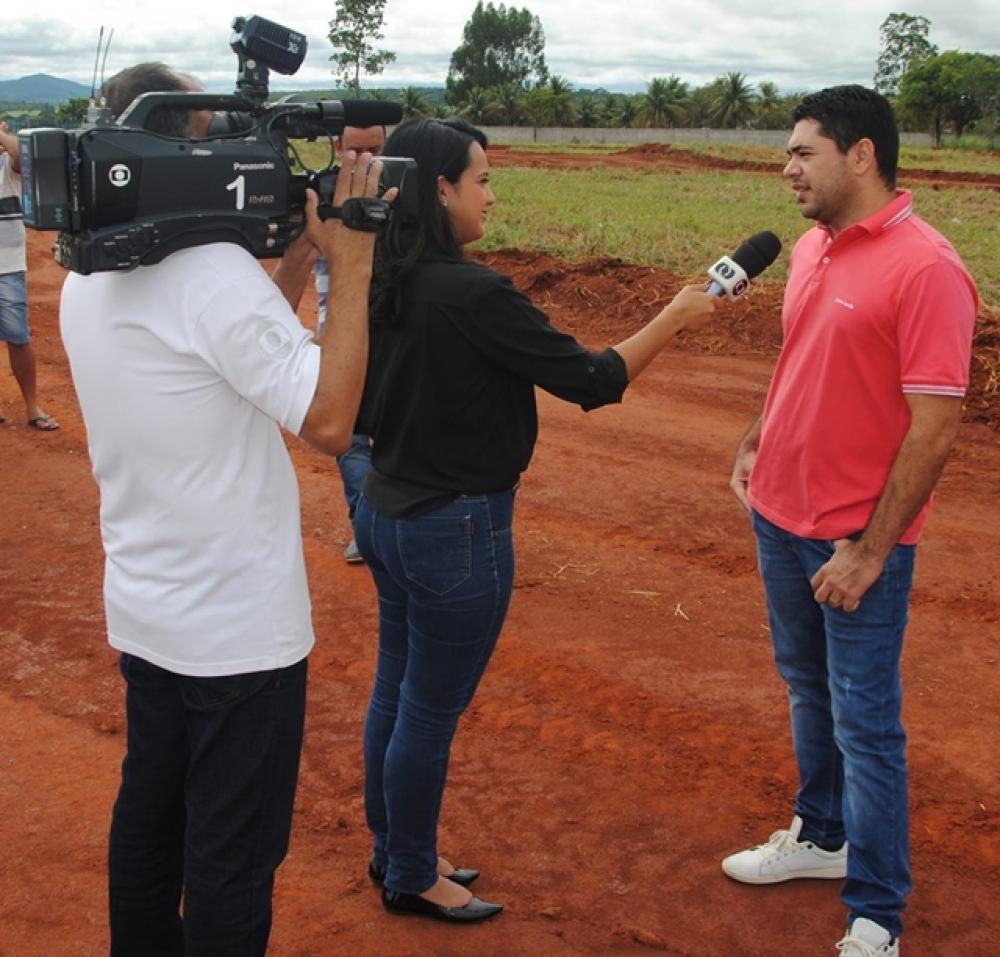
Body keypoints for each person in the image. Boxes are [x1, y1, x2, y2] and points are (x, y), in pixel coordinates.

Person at [354, 117, 720, 924]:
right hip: (457, 528)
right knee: (426, 709)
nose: (492, 194)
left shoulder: (380, 277)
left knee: (396, 691)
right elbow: (591, 379)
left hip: (384, 511)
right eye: (481, 178)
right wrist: (674, 317)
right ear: (441, 188)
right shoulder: (475, 293)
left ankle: (396, 845)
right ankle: (411, 870)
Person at [60, 62, 389, 957]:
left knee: (149, 822)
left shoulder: (90, 270)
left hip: (150, 611)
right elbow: (327, 419)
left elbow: (230, 348)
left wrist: (304, 252)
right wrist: (352, 262)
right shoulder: (208, 275)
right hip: (240, 636)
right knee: (232, 859)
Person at [722, 86, 977, 957]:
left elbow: (936, 429)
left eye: (803, 152)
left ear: (860, 155)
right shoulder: (810, 247)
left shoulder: (928, 268)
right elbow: (802, 358)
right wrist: (759, 438)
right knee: (806, 688)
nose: (787, 167)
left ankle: (877, 913)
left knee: (865, 721)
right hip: (778, 513)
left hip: (852, 541)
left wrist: (872, 551)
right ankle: (821, 835)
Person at [312, 124, 386, 565]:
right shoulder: (320, 197)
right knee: (354, 439)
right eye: (356, 150)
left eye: (375, 149)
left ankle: (381, 525)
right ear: (337, 148)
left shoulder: (326, 195)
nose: (365, 159)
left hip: (394, 332)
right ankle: (365, 525)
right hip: (340, 330)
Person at [0, 118, 59, 431]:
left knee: (18, 338)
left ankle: (32, 407)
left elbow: (23, 158)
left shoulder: (7, 168)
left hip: (6, 266)